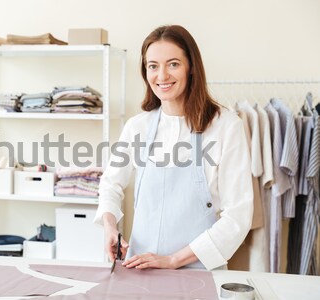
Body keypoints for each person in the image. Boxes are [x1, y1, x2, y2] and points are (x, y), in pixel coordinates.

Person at [93, 25, 253, 270]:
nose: (162, 76)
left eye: (173, 64)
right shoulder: (138, 127)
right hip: (140, 268)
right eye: (153, 66)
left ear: (191, 68)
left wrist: (173, 260)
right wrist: (109, 226)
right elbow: (110, 184)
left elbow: (238, 217)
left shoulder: (226, 127)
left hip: (199, 272)